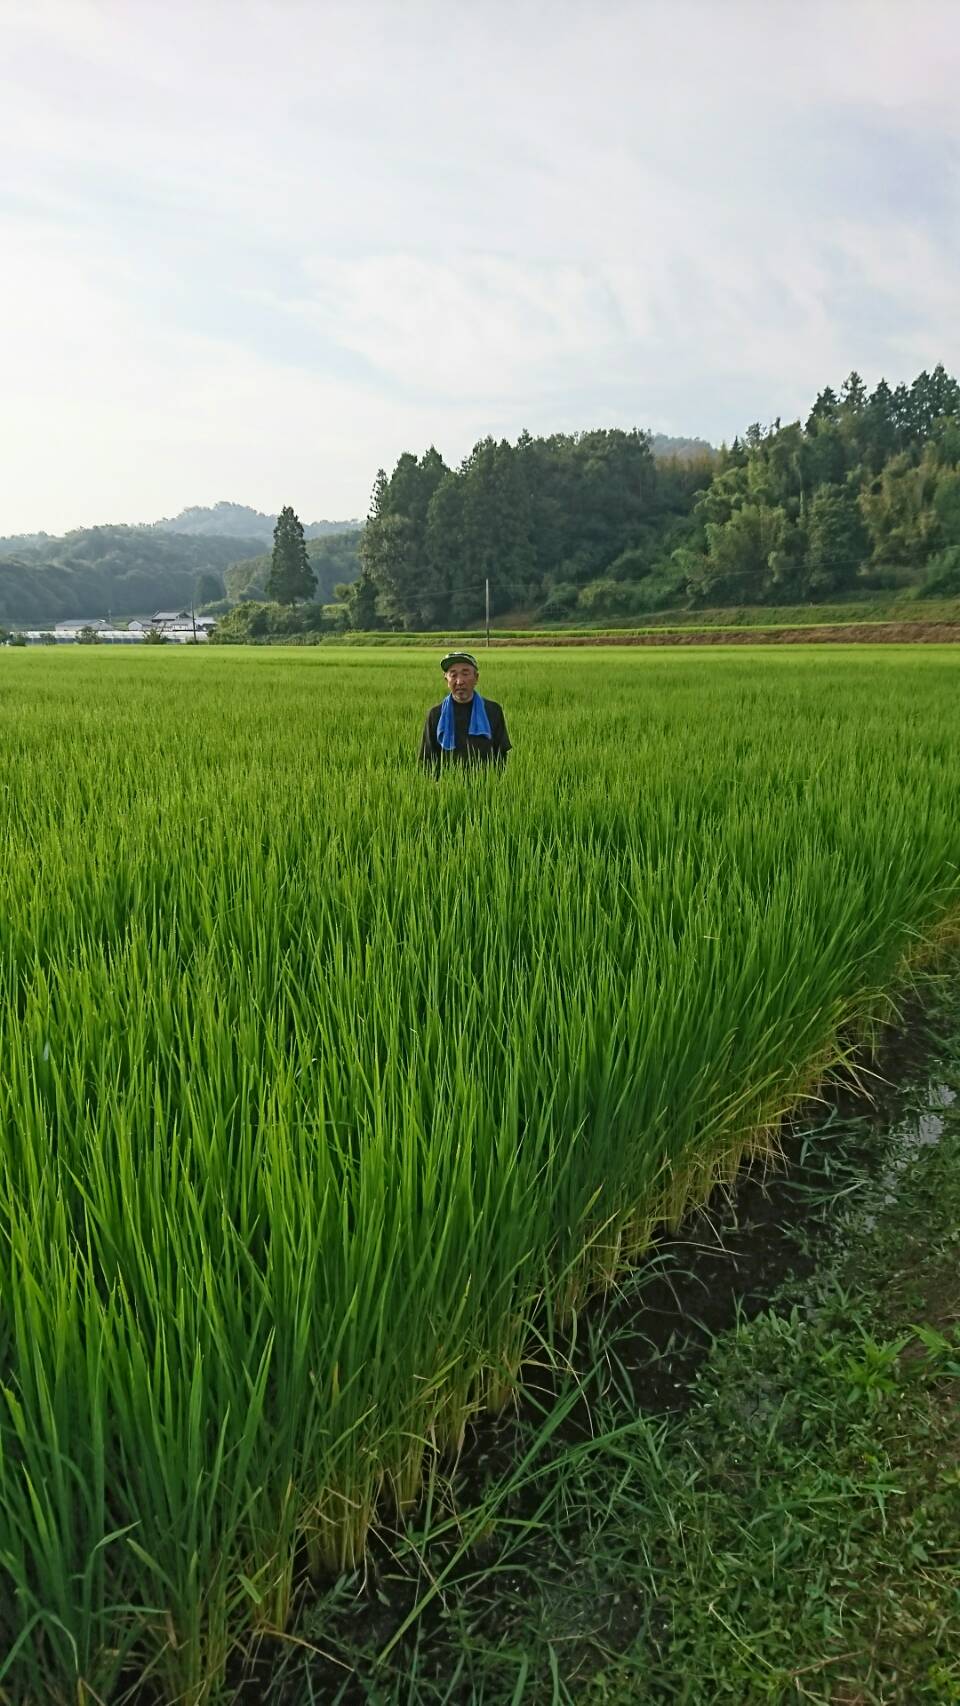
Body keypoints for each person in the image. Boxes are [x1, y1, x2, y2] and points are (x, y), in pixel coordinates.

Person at [419, 651, 511, 772]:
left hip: (486, 786)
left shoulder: (493, 711)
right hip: (447, 786)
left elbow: (501, 756)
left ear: (476, 677)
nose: (459, 681)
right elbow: (428, 759)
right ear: (446, 679)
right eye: (453, 675)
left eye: (465, 673)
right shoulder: (436, 714)